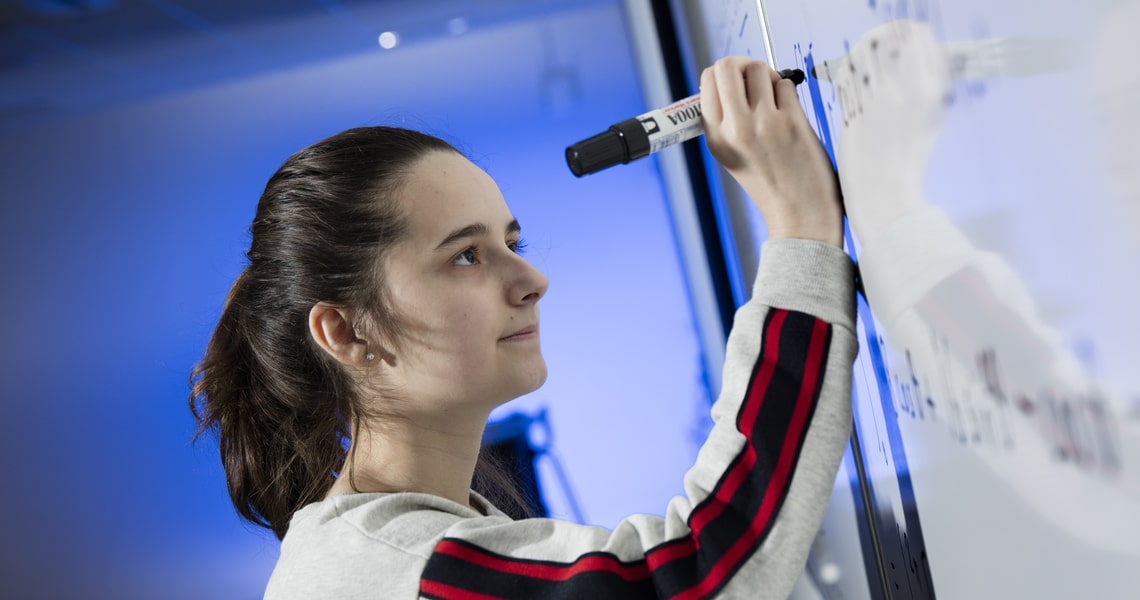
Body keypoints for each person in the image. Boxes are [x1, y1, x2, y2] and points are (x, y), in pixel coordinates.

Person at [188, 56, 858, 599]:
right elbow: (700, 577)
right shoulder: (394, 569)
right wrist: (800, 228)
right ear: (347, 333)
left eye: (513, 242)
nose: (533, 280)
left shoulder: (416, 544)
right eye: (466, 255)